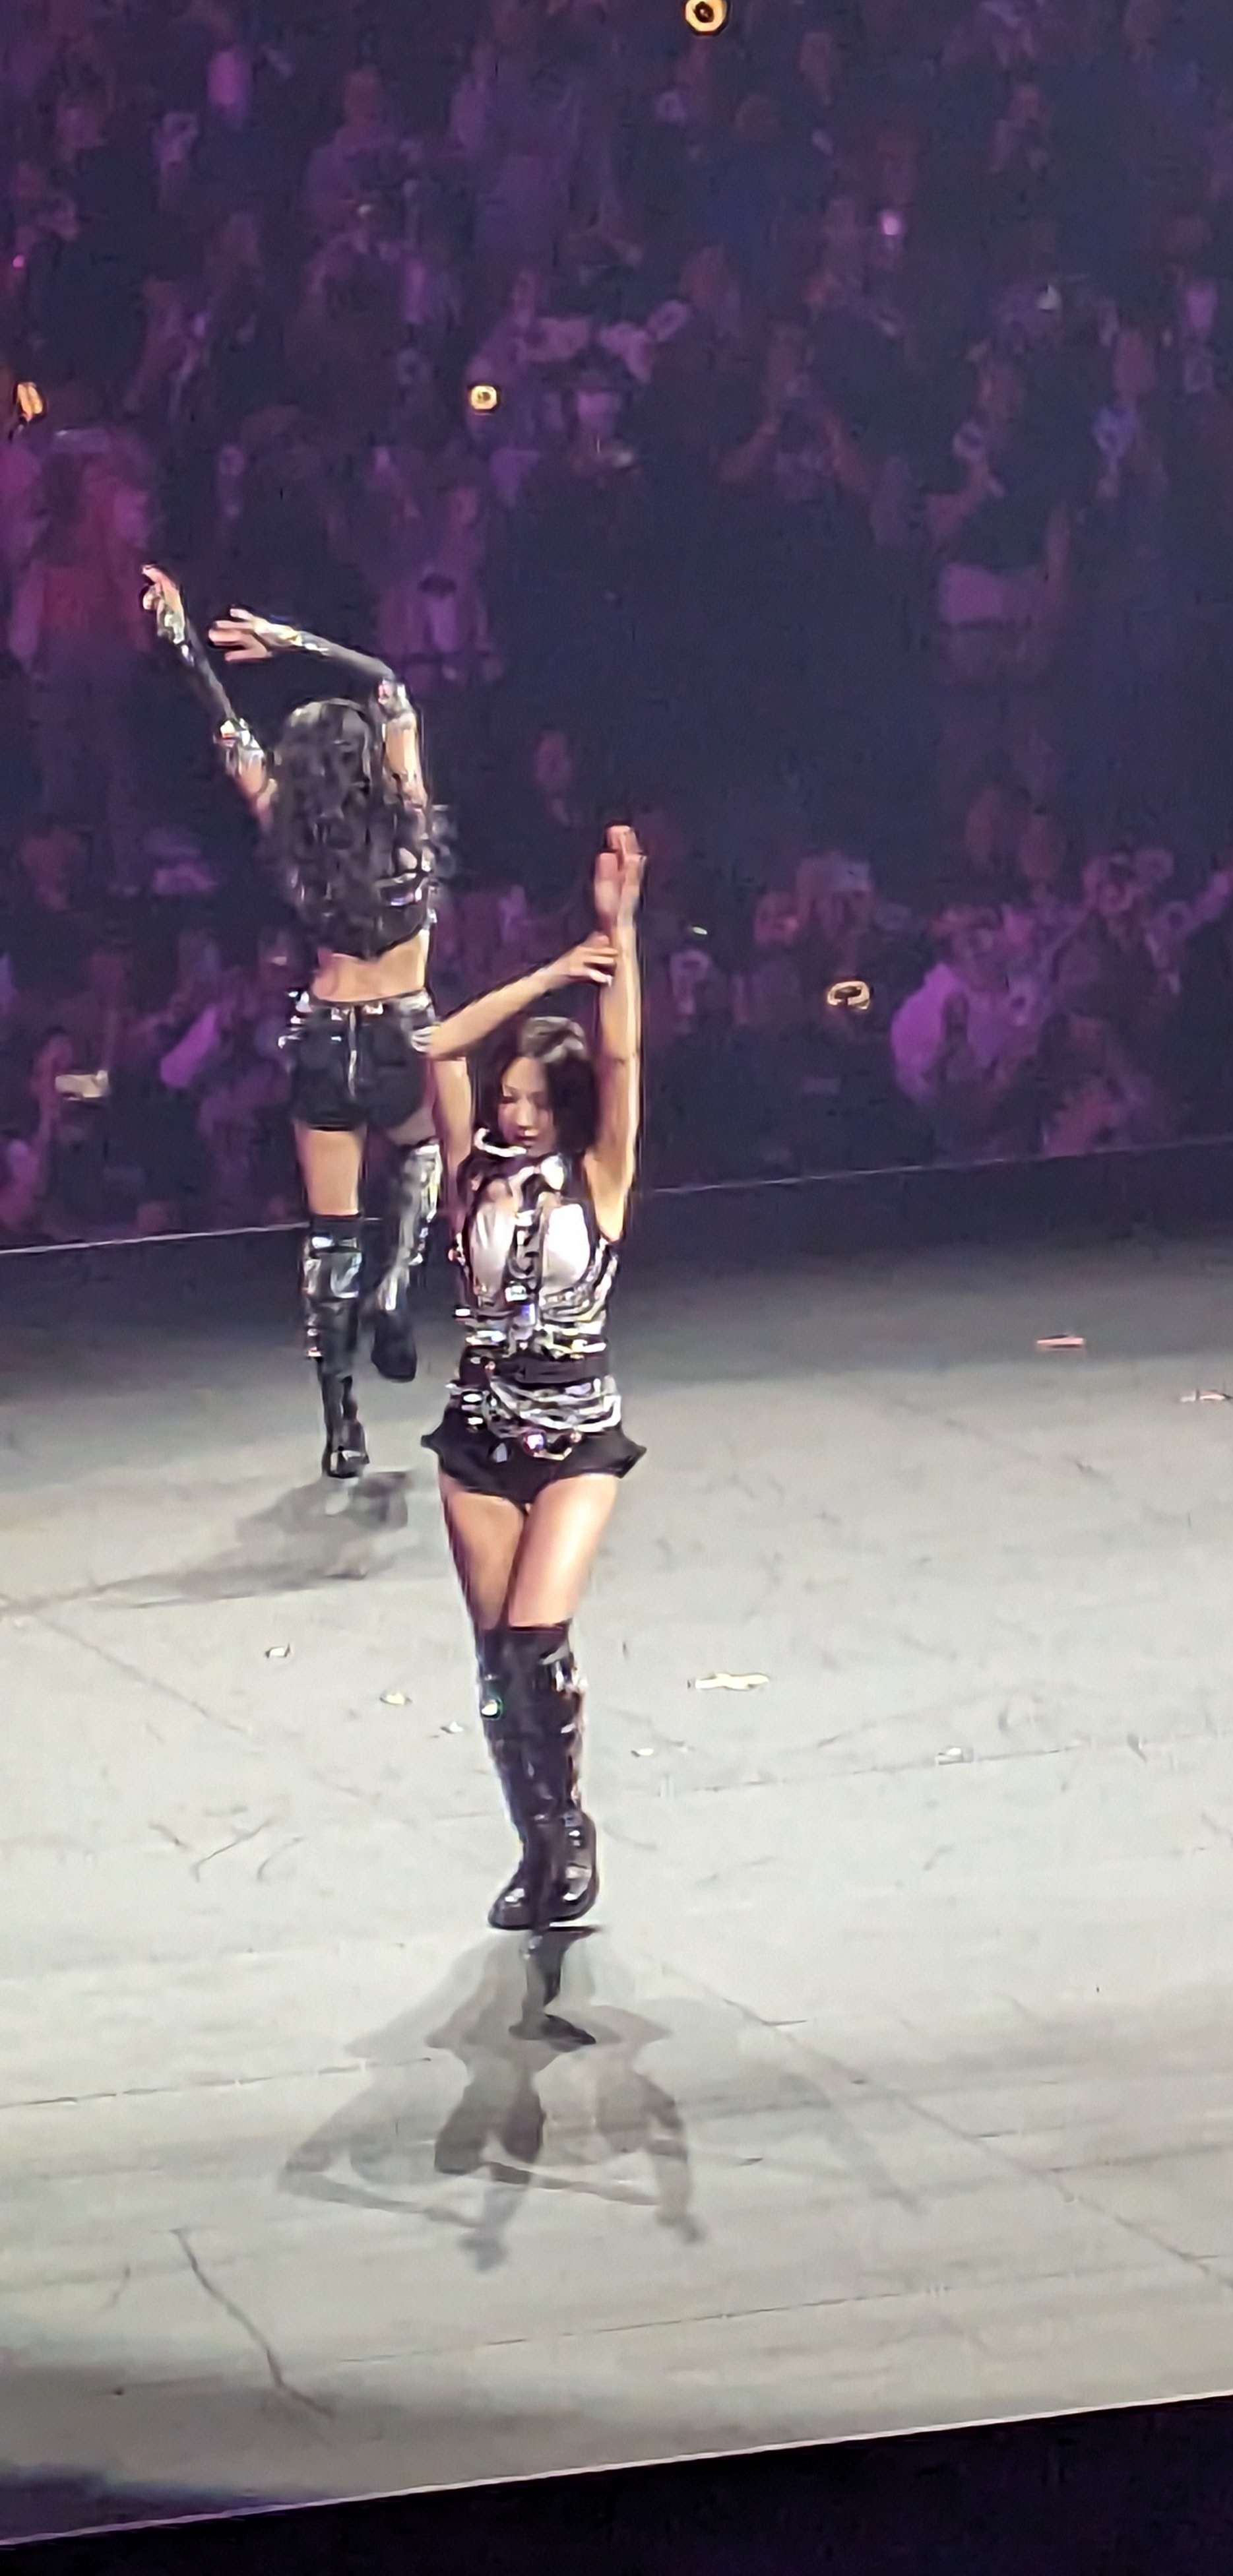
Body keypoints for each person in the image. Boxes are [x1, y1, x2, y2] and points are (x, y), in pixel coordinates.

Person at [142, 566, 445, 1477]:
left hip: (323, 1036)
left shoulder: (285, 828)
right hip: (402, 1027)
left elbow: (224, 726)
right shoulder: (408, 813)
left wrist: (183, 642)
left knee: (330, 1232)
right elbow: (387, 681)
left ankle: (342, 1424)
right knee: (423, 1154)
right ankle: (398, 1284)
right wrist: (291, 640)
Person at [417, 826, 645, 1933]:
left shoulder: (600, 1175)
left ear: (565, 1108)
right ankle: (538, 1846)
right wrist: (551, 972)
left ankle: (570, 1829)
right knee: (495, 1662)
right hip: (479, 1432)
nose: (514, 1116)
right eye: (507, 1098)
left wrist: (617, 937)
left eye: (534, 1102)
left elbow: (623, 1060)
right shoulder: (471, 1177)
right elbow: (437, 1044)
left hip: (576, 1431)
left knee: (534, 1638)